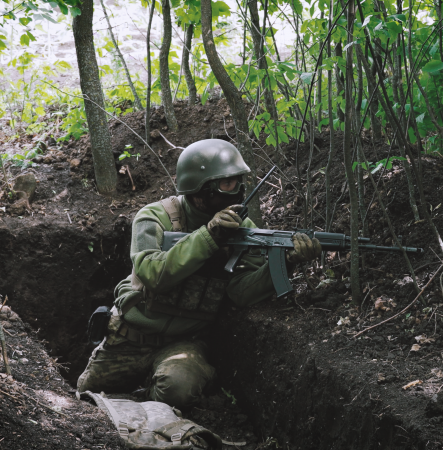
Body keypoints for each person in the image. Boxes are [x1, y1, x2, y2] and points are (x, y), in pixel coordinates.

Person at [76, 139, 321, 408]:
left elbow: (239, 293)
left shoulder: (244, 229)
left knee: (176, 391)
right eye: (227, 183)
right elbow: (153, 273)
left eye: (238, 181)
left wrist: (287, 262)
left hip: (183, 344)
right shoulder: (155, 217)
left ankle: (148, 396)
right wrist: (209, 236)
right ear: (200, 188)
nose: (237, 190)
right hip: (129, 337)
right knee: (86, 395)